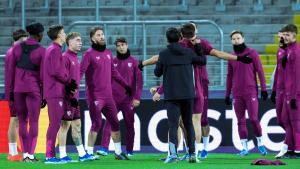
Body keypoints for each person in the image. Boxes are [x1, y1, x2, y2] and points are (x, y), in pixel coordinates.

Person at [154, 27, 207, 163]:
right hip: (188, 94)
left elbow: (157, 72)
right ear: (180, 38)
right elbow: (202, 61)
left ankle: (173, 155)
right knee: (189, 124)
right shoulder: (188, 52)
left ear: (167, 39)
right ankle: (192, 154)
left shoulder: (163, 54)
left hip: (172, 96)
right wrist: (199, 45)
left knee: (173, 125)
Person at [80, 27, 131, 160]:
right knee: (96, 123)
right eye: (98, 35)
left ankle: (118, 152)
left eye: (102, 34)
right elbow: (81, 71)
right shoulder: (88, 54)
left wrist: (126, 85)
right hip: (95, 96)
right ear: (92, 38)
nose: (102, 37)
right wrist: (73, 87)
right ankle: (89, 153)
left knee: (115, 123)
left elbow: (114, 73)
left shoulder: (108, 52)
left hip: (108, 97)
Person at [97, 37, 143, 157]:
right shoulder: (112, 61)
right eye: (118, 45)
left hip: (128, 100)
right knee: (109, 122)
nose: (121, 47)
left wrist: (137, 97)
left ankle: (129, 150)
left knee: (129, 125)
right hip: (113, 98)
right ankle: (104, 148)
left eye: (123, 44)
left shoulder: (134, 62)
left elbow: (140, 82)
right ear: (116, 47)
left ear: (127, 45)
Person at [225, 30, 268, 156]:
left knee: (254, 119)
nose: (236, 40)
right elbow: (229, 76)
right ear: (231, 41)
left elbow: (260, 71)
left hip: (251, 92)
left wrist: (263, 89)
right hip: (237, 94)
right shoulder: (231, 57)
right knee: (240, 120)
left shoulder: (252, 53)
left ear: (243, 38)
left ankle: (260, 144)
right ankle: (244, 148)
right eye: (233, 39)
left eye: (238, 38)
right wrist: (227, 94)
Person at [7, 23, 45, 162]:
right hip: (33, 89)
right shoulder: (42, 50)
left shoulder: (15, 48)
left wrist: (9, 92)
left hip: (18, 89)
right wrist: (44, 94)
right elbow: (43, 75)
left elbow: (10, 72)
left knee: (22, 121)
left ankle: (24, 155)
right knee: (34, 121)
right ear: (39, 34)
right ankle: (30, 154)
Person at [57, 32, 94, 162]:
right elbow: (62, 79)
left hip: (74, 98)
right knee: (64, 126)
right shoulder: (65, 57)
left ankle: (82, 154)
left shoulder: (75, 57)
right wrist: (68, 95)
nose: (80, 42)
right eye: (78, 40)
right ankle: (62, 155)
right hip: (67, 98)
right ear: (70, 41)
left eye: (81, 40)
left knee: (77, 124)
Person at [43, 24, 77, 164]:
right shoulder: (55, 50)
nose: (65, 34)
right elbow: (56, 71)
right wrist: (69, 81)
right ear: (58, 35)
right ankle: (50, 156)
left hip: (55, 91)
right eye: (63, 32)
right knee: (54, 124)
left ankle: (51, 155)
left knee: (55, 124)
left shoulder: (53, 49)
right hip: (55, 91)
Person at [4, 29, 28, 162]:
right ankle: (12, 153)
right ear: (18, 40)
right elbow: (11, 76)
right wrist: (12, 94)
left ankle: (20, 151)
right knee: (15, 120)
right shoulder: (13, 53)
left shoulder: (16, 52)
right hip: (15, 92)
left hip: (19, 91)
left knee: (19, 121)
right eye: (24, 41)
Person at [280, 24, 300, 158]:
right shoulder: (288, 50)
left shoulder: (296, 51)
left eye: (288, 35)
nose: (285, 37)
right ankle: (291, 148)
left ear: (294, 35)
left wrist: (294, 96)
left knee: (296, 121)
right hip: (288, 91)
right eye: (284, 34)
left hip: (295, 93)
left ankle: (298, 150)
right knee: (286, 120)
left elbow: (297, 74)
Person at [270, 29, 290, 158]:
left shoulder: (293, 52)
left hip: (290, 91)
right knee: (280, 120)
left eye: (283, 37)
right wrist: (273, 90)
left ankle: (287, 146)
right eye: (279, 37)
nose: (280, 39)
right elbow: (277, 71)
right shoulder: (279, 51)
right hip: (280, 90)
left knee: (287, 119)